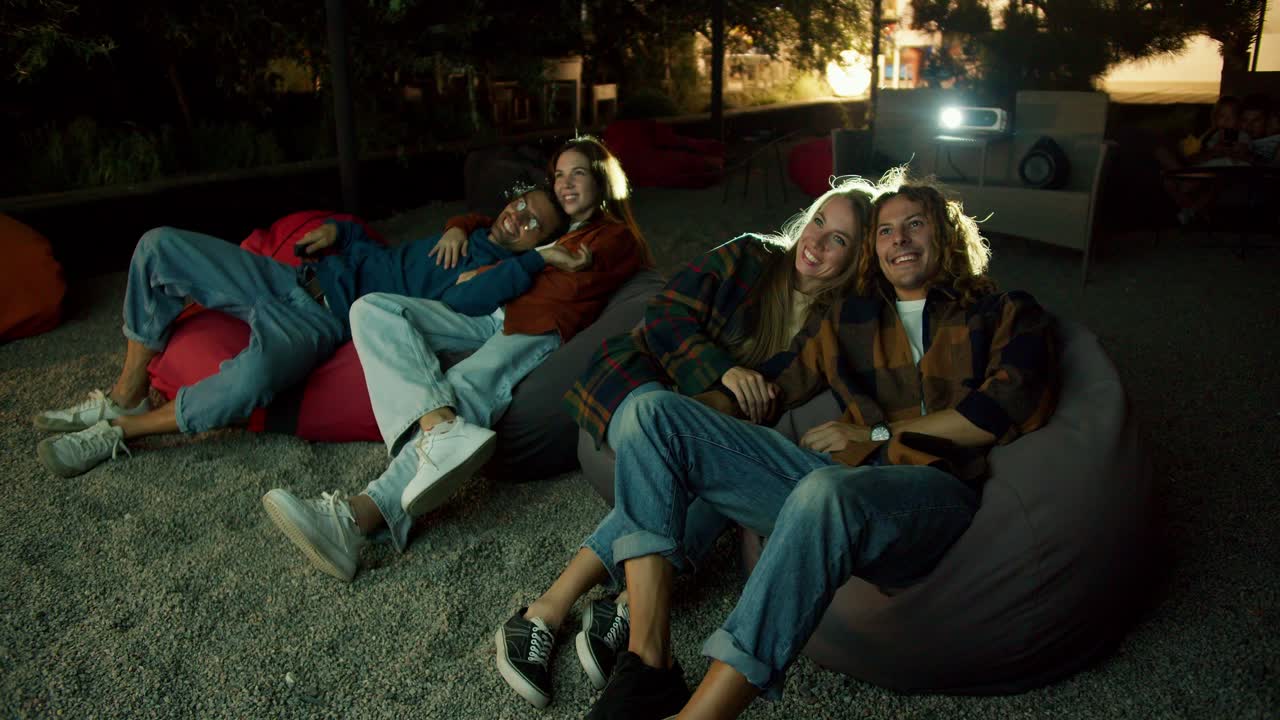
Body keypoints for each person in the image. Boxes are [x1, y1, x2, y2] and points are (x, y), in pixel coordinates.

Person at [548, 168, 1059, 720]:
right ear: (874, 251)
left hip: (929, 494)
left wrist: (873, 435)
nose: (900, 240)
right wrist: (681, 429)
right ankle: (647, 664)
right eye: (886, 231)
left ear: (945, 233)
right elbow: (774, 387)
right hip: (832, 483)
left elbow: (997, 412)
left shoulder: (1005, 312)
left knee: (825, 488)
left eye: (914, 225)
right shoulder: (850, 319)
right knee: (651, 411)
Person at [492, 176, 876, 709]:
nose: (817, 242)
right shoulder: (749, 256)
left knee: (714, 459)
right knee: (673, 441)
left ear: (857, 258)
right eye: (818, 222)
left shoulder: (833, 323)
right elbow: (665, 314)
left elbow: (784, 393)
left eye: (840, 240)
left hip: (705, 423)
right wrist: (723, 374)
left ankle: (625, 605)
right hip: (647, 377)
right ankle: (545, 613)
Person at [260, 135, 655, 583]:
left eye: (578, 173)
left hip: (539, 326)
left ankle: (356, 518)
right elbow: (494, 227)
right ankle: (438, 427)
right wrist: (463, 229)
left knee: (466, 387)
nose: (565, 183)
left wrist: (521, 265)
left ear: (602, 180)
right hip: (499, 313)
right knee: (373, 309)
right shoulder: (557, 225)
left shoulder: (612, 235)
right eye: (560, 174)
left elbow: (571, 281)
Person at [32, 186, 570, 478]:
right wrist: (342, 230)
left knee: (252, 380)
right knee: (158, 244)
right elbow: (384, 252)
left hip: (320, 319)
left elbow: (461, 302)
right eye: (521, 204)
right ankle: (125, 394)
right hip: (294, 275)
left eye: (534, 226)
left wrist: (535, 261)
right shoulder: (467, 231)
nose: (519, 218)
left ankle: (124, 432)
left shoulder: (496, 275)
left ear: (537, 245)